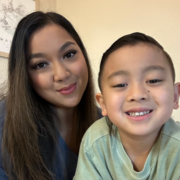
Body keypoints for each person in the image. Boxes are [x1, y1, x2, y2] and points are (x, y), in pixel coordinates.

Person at [0, 11, 102, 180]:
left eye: (69, 54)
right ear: (24, 75)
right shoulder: (6, 124)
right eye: (41, 65)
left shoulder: (105, 123)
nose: (61, 74)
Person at [74, 32, 180, 180]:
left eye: (153, 80)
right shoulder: (96, 141)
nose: (137, 94)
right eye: (120, 84)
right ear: (103, 104)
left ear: (175, 96)